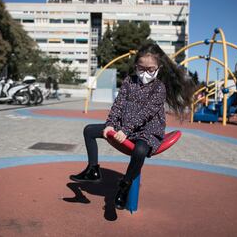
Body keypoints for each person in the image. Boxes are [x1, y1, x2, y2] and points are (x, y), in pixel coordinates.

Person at [69, 43, 196, 210]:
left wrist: (125, 130)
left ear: (159, 68)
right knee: (89, 130)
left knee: (140, 150)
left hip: (148, 131)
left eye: (150, 69)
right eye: (141, 68)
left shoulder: (159, 88)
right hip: (123, 127)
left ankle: (125, 185)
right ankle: (93, 170)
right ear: (136, 66)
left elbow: (145, 113)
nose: (145, 73)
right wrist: (110, 125)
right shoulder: (129, 81)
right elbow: (118, 105)